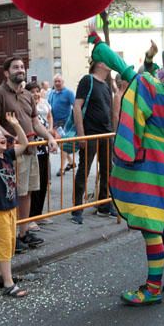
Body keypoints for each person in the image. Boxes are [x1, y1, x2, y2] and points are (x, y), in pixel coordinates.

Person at [86, 24, 164, 306]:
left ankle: (152, 288)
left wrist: (96, 41)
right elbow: (148, 76)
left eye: (163, 69)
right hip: (163, 160)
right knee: (157, 219)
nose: (158, 71)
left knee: (151, 226)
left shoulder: (153, 88)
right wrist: (149, 59)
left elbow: (124, 69)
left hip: (147, 161)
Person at [0, 57, 57, 252]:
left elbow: (35, 123)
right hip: (12, 153)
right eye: (15, 67)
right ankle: (10, 235)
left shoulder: (27, 95)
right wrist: (13, 138)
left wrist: (50, 138)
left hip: (31, 150)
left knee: (27, 192)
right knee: (14, 193)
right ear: (7, 73)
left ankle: (23, 232)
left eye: (22, 67)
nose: (20, 70)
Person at [0, 115, 29, 298]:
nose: (1, 137)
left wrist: (17, 125)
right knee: (3, 245)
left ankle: (0, 275)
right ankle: (8, 284)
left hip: (10, 207)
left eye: (2, 135)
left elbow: (24, 145)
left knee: (9, 243)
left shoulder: (7, 156)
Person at [70, 58, 113, 224]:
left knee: (107, 169)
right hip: (90, 133)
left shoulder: (106, 85)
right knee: (84, 169)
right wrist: (81, 134)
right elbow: (77, 106)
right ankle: (76, 208)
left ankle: (103, 205)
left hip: (106, 133)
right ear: (100, 64)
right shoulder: (87, 80)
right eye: (107, 59)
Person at [26, 82, 52, 224]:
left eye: (37, 91)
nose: (35, 94)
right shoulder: (27, 110)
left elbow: (48, 120)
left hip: (44, 151)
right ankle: (30, 217)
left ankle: (38, 214)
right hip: (33, 152)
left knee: (43, 183)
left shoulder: (40, 109)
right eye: (32, 91)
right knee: (33, 186)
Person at [47, 74, 76, 176]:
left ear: (63, 82)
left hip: (65, 123)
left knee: (62, 145)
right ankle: (71, 162)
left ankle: (62, 168)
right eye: (55, 81)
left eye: (59, 81)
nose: (57, 83)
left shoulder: (68, 93)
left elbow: (75, 106)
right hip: (54, 123)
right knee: (60, 144)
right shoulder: (51, 93)